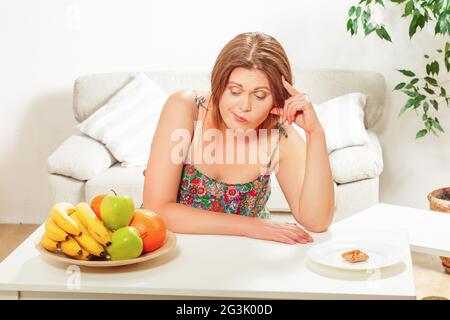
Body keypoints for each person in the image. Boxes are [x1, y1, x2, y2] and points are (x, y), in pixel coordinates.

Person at [143, 32, 334, 245]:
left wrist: (315, 133)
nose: (244, 106)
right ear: (219, 83)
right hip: (177, 250)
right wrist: (251, 226)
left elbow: (317, 222)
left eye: (260, 95)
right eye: (235, 91)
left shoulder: (279, 134)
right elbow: (157, 208)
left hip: (245, 255)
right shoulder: (186, 107)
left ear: (278, 96)